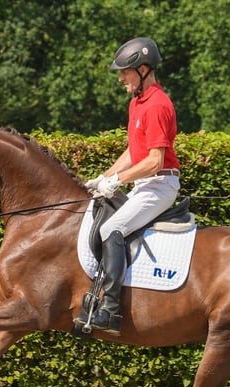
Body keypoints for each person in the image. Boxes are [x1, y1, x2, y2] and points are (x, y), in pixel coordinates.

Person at [77, 37, 181, 333]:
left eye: (125, 71)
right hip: (144, 185)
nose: (121, 77)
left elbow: (155, 161)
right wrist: (105, 177)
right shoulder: (137, 102)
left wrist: (118, 181)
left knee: (113, 229)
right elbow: (133, 150)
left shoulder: (158, 104)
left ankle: (110, 309)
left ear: (144, 69)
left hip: (159, 186)